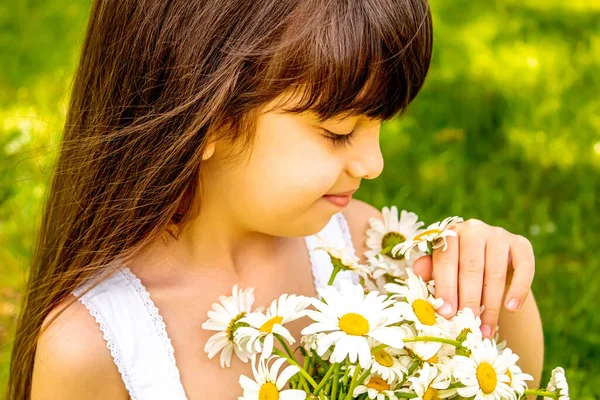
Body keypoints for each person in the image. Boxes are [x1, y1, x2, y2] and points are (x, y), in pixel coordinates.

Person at [7, 0, 544, 398]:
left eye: (380, 127)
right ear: (207, 121)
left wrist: (491, 281)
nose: (373, 164)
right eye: (338, 130)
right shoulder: (94, 348)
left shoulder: (360, 247)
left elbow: (511, 379)